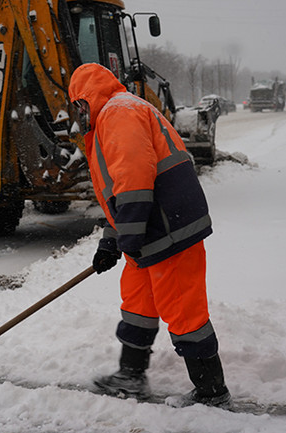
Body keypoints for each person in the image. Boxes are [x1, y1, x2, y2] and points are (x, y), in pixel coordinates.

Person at [68, 63, 231, 408]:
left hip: (167, 228)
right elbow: (118, 193)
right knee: (138, 301)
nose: (78, 114)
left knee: (184, 310)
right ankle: (130, 374)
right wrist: (111, 240)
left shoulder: (118, 113)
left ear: (87, 97)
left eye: (78, 105)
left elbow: (136, 180)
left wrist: (126, 237)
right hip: (152, 226)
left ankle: (212, 393)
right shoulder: (113, 115)